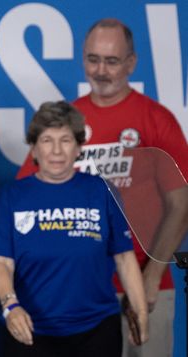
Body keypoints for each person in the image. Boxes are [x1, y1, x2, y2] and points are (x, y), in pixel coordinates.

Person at [16, 19, 188, 357]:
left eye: (111, 61)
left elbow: (181, 203)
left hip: (146, 285)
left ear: (131, 63)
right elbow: (28, 197)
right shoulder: (67, 121)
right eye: (93, 59)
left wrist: (152, 275)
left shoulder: (156, 119)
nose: (101, 70)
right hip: (77, 295)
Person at [0, 101, 148, 357]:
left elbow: (124, 257)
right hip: (30, 327)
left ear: (78, 147)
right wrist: (11, 306)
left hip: (97, 328)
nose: (56, 150)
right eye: (46, 140)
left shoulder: (102, 191)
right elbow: (1, 262)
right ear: (33, 148)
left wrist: (139, 310)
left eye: (65, 140)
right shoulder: (12, 196)